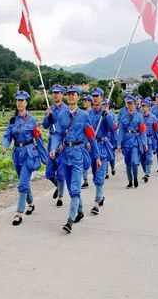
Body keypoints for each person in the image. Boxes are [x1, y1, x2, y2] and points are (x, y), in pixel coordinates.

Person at [49, 85, 100, 233]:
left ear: (78, 97)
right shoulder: (62, 115)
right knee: (71, 189)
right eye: (69, 94)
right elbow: (57, 133)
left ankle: (69, 221)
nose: (71, 96)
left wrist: (96, 156)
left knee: (76, 188)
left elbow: (91, 136)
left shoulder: (84, 115)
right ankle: (80, 211)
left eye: (74, 94)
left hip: (78, 153)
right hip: (65, 155)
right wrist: (53, 148)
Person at [2, 90, 48, 226]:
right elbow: (7, 135)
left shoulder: (32, 120)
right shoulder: (13, 120)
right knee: (24, 182)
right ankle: (31, 203)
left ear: (26, 102)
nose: (19, 103)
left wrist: (44, 157)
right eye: (17, 100)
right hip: (17, 153)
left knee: (22, 184)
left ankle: (18, 213)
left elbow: (38, 138)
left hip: (29, 153)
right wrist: (5, 145)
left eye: (22, 100)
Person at [87, 87, 115, 215]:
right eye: (93, 96)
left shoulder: (106, 113)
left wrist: (107, 115)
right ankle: (101, 195)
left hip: (102, 146)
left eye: (97, 96)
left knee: (99, 176)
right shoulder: (89, 114)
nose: (95, 98)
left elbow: (112, 128)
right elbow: (85, 130)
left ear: (102, 98)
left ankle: (96, 203)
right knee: (94, 175)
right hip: (91, 147)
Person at [42, 84, 68, 207]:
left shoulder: (67, 110)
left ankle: (61, 197)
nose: (55, 95)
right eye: (53, 93)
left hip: (62, 141)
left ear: (62, 94)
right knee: (49, 173)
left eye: (58, 93)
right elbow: (45, 125)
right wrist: (48, 116)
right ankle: (58, 185)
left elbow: (69, 128)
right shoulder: (50, 108)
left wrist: (63, 143)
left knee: (61, 172)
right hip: (52, 139)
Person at [117, 95, 148, 188]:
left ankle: (135, 178)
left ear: (135, 105)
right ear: (126, 105)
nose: (130, 105)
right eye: (129, 103)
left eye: (132, 104)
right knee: (128, 163)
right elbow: (121, 132)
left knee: (134, 162)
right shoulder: (123, 117)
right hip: (126, 141)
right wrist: (119, 144)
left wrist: (145, 143)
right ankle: (130, 181)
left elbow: (142, 131)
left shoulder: (139, 117)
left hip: (135, 140)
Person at [140, 99, 158, 183]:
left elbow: (156, 131)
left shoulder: (153, 118)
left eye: (144, 106)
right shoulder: (139, 117)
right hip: (141, 140)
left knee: (148, 157)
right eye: (142, 106)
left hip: (150, 139)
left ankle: (147, 174)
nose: (142, 108)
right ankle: (146, 171)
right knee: (142, 159)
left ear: (148, 107)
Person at [81, 95, 93, 188]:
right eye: (83, 100)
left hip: (93, 140)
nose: (84, 102)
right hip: (83, 141)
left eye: (86, 100)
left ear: (90, 102)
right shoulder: (82, 113)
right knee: (83, 161)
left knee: (93, 160)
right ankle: (85, 180)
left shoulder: (93, 113)